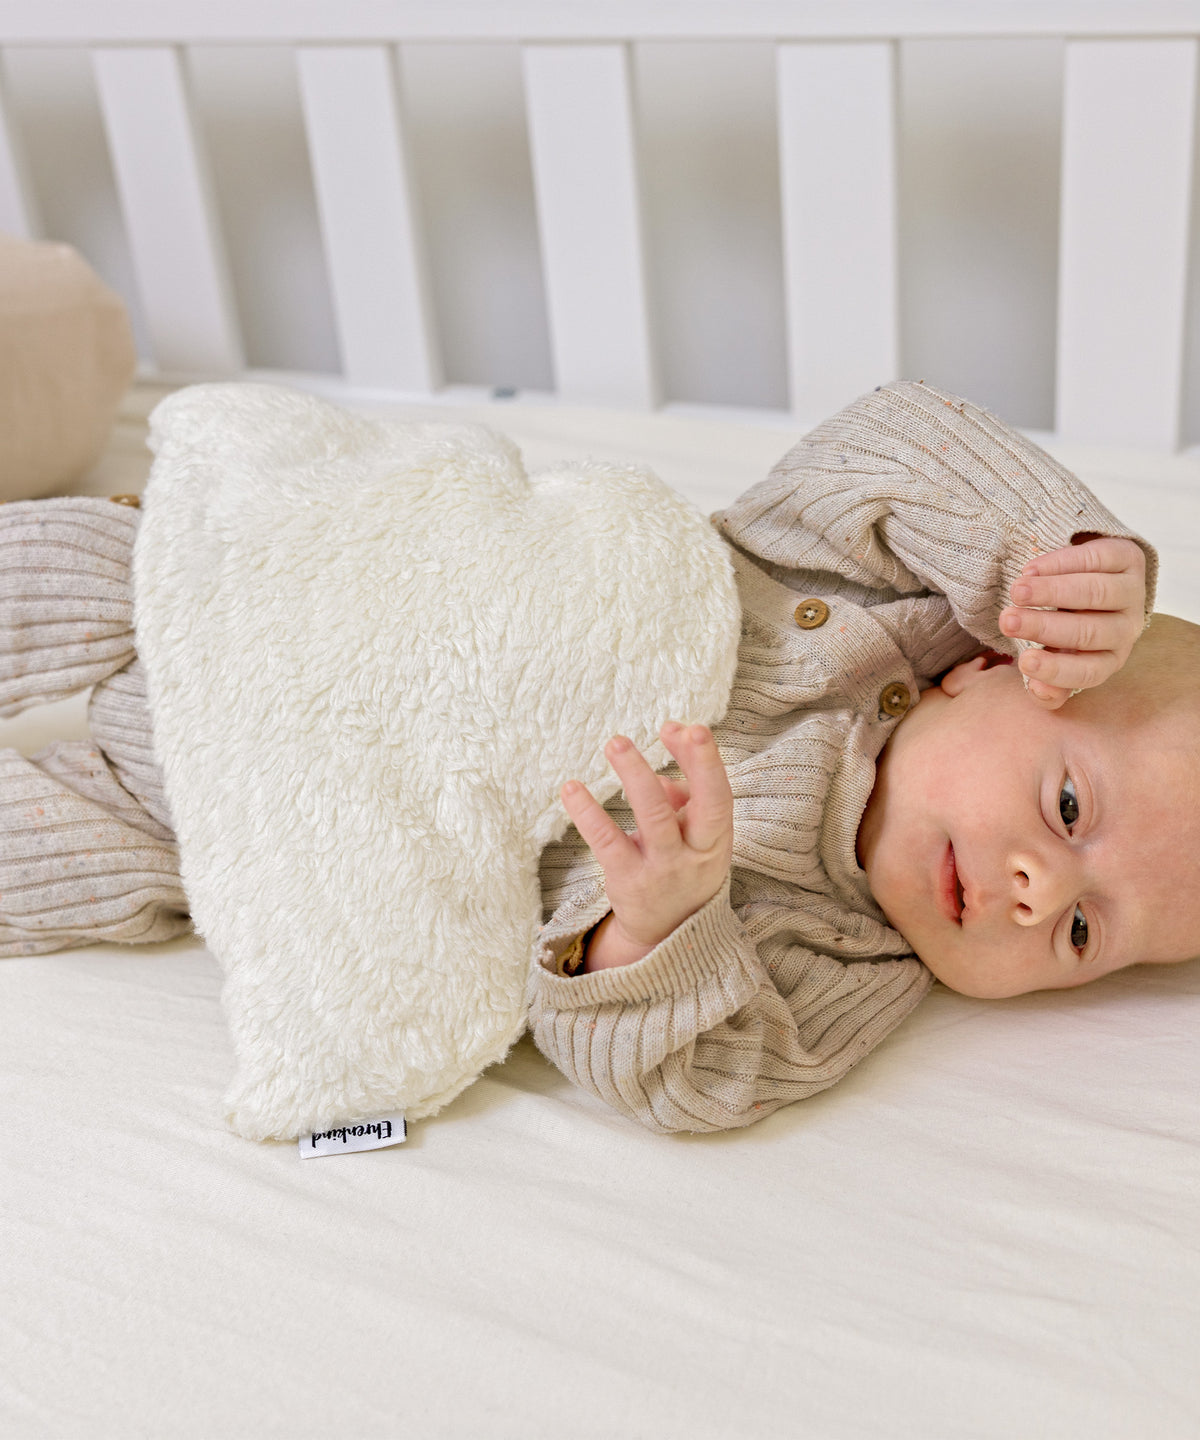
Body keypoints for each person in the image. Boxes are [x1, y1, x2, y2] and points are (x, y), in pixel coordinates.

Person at [1, 380, 1195, 1134]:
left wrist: (658, 934)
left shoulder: (845, 968)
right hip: (319, 606)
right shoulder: (863, 589)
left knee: (86, 865)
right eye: (1069, 804)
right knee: (121, 563)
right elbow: (901, 435)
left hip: (295, 817)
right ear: (992, 660)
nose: (1041, 893)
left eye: (1086, 934)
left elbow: (700, 1083)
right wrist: (1062, 550)